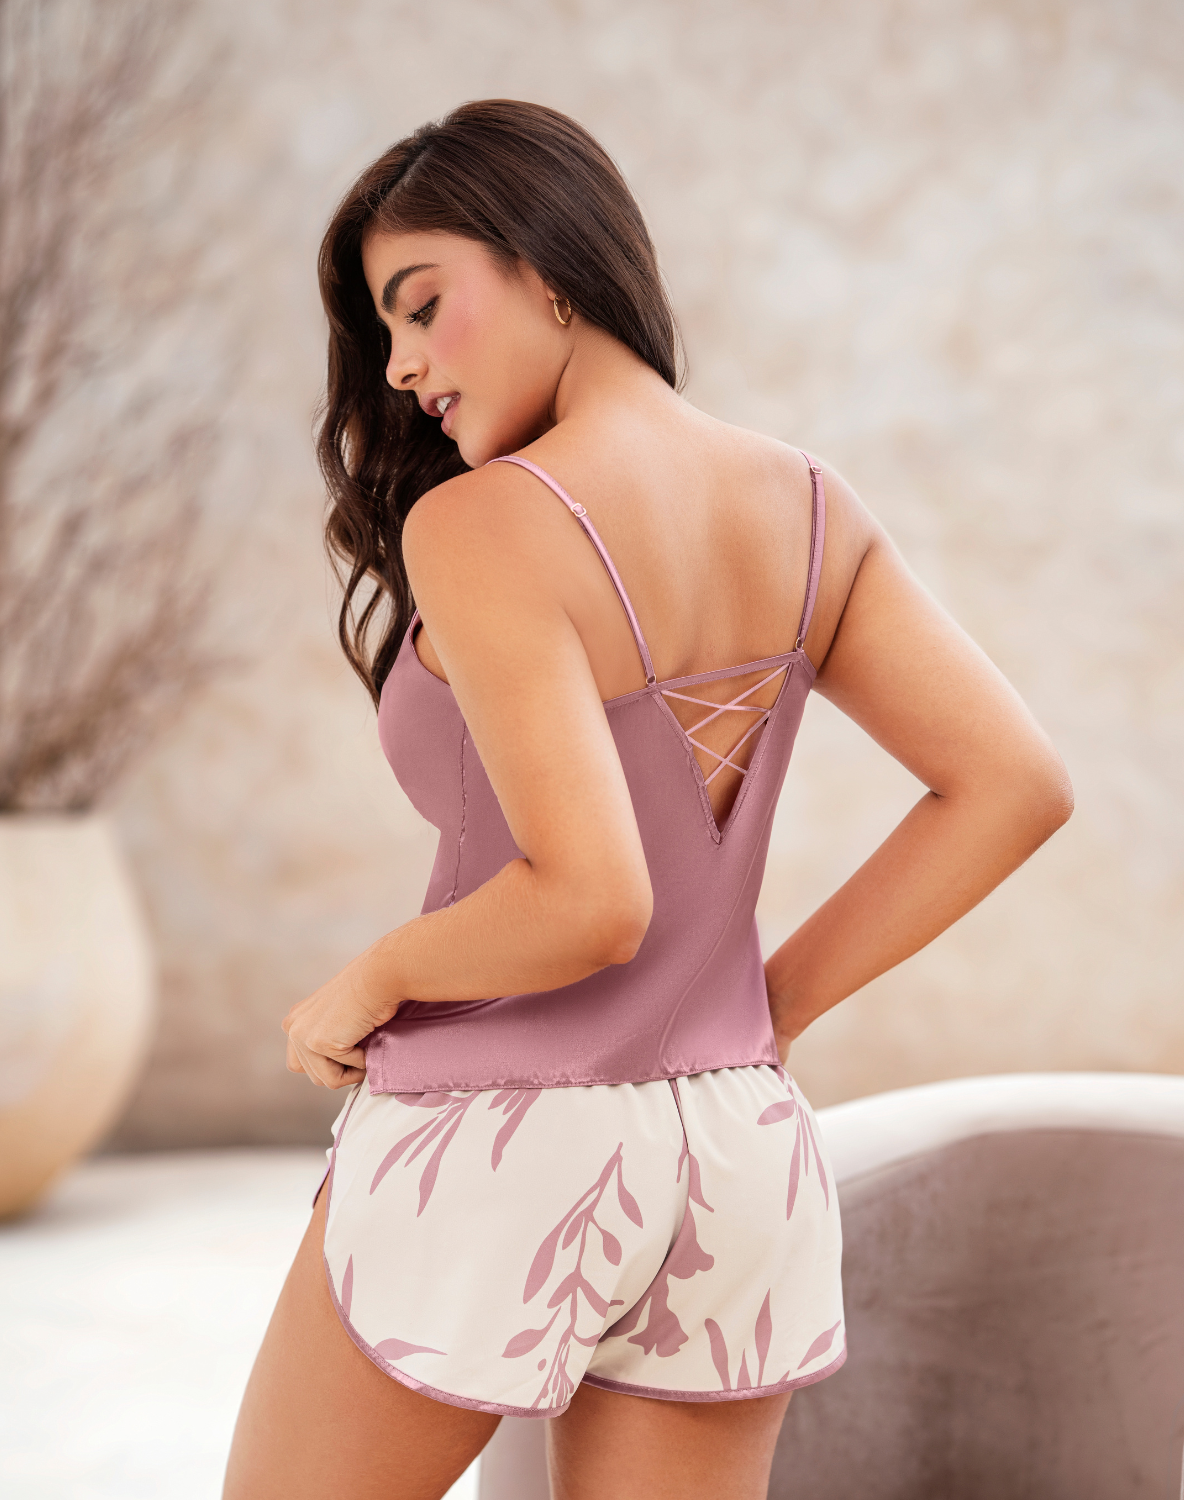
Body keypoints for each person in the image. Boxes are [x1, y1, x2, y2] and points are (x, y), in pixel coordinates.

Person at [223, 100, 1073, 1500]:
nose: (402, 364)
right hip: (736, 1160)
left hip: (492, 1143)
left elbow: (591, 902)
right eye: (385, 333)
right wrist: (764, 1015)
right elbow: (1014, 786)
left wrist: (370, 981)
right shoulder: (811, 505)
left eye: (423, 306)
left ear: (552, 266)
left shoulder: (484, 521)